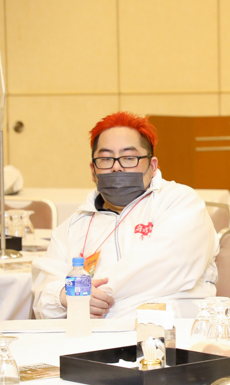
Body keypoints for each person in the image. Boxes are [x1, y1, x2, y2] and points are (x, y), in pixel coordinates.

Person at [32, 112, 218, 319]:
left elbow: (165, 272)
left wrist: (80, 296)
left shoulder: (180, 203)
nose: (116, 167)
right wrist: (63, 297)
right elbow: (42, 299)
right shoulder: (73, 227)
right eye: (105, 159)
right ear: (93, 170)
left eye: (129, 158)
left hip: (173, 332)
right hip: (93, 336)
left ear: (152, 166)